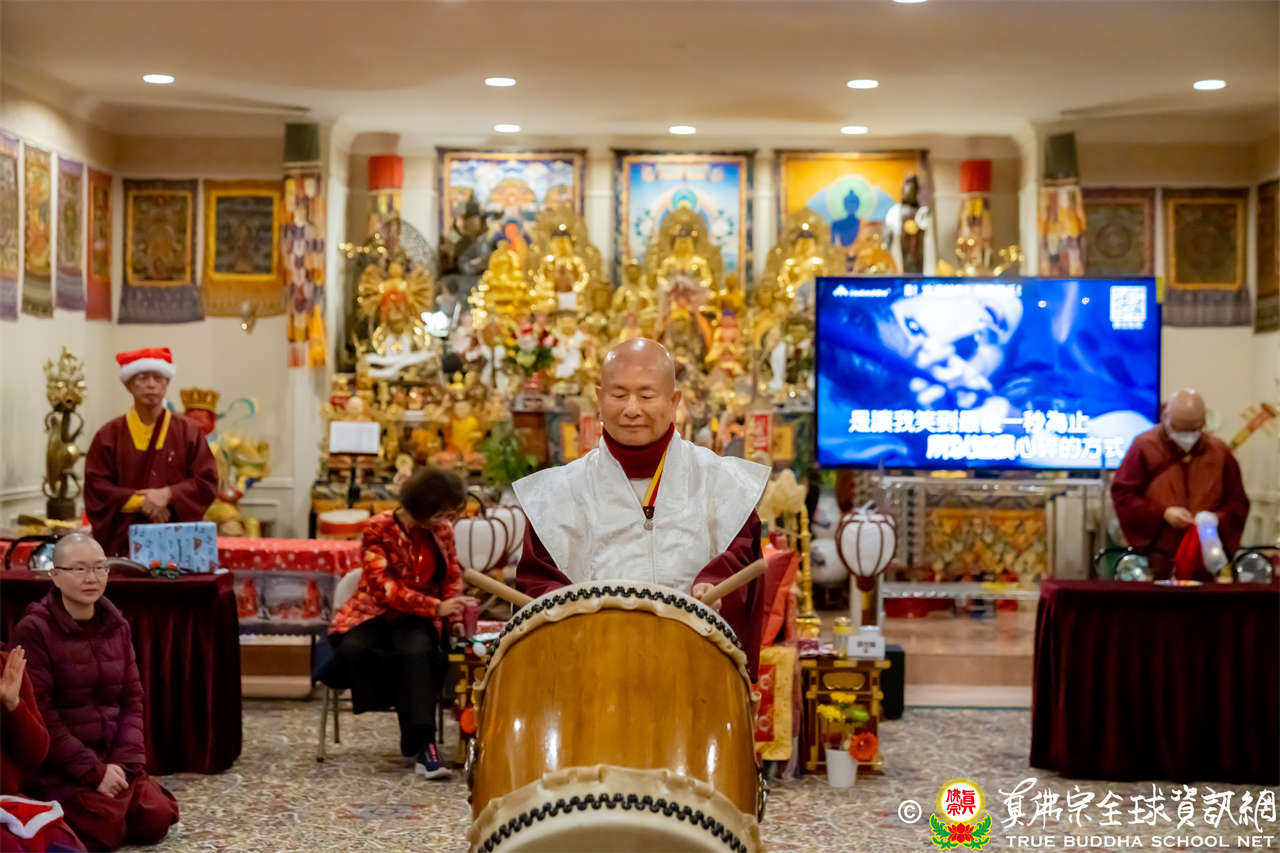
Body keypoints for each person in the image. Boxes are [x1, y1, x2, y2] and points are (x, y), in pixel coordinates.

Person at [515, 338, 771, 675]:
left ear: (674, 401)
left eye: (647, 396)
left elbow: (741, 560)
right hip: (591, 676)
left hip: (694, 672)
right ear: (599, 398)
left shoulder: (721, 482)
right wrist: (562, 610)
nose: (632, 409)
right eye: (619, 395)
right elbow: (539, 583)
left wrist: (715, 582)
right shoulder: (557, 494)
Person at [10, 534, 178, 851]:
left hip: (112, 756)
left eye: (100, 568)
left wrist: (124, 764)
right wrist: (94, 772)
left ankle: (116, 797)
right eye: (79, 569)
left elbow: (132, 699)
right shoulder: (34, 630)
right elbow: (42, 716)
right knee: (104, 827)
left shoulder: (117, 625)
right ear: (54, 575)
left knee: (155, 818)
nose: (92, 578)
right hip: (62, 766)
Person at [328, 467, 475, 780]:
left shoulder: (443, 531)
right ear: (421, 506)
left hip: (419, 619)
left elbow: (451, 578)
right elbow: (382, 586)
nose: (443, 520)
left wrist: (453, 617)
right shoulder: (378, 528)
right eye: (439, 513)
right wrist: (435, 607)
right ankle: (409, 716)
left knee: (417, 654)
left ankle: (425, 746)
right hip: (373, 614)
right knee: (355, 651)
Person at [83, 347, 218, 557]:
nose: (151, 384)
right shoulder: (108, 435)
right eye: (142, 378)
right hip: (123, 542)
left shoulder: (188, 432)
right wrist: (144, 502)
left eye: (158, 378)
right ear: (128, 385)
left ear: (167, 383)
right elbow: (97, 488)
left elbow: (206, 482)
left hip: (177, 540)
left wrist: (169, 494)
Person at [1111, 388, 1251, 580]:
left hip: (1204, 557)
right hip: (1158, 558)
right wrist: (1163, 513)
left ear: (1204, 423)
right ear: (1165, 417)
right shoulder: (1144, 446)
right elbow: (1124, 495)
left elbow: (1238, 502)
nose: (1187, 437)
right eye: (1179, 429)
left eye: (1194, 430)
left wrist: (1214, 519)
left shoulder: (1218, 451)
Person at [1, 645, 86, 852]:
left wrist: (13, 705)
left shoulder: (7, 665)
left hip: (8, 802)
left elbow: (36, 754)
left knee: (65, 843)